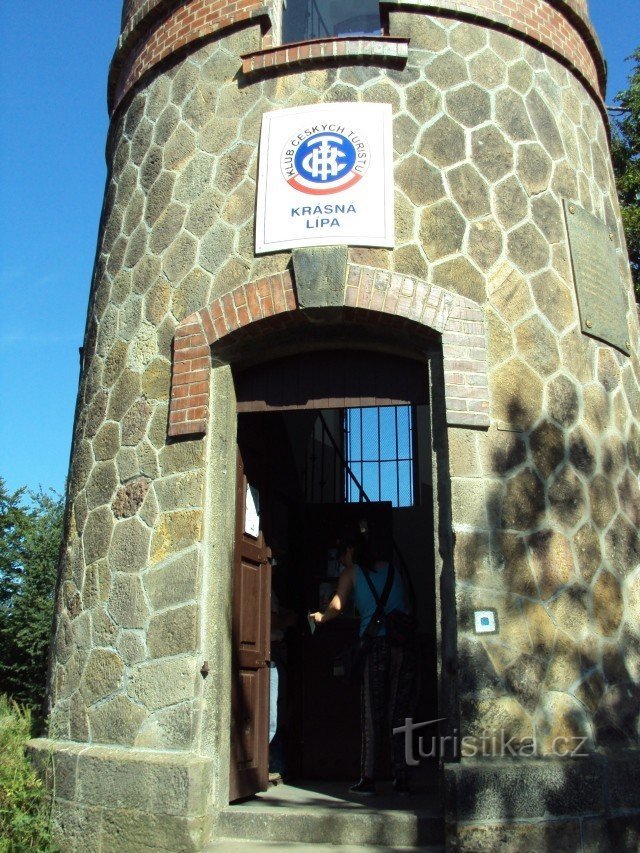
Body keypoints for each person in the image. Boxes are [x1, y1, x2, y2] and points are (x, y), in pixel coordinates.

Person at [310, 535, 416, 796]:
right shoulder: (392, 570)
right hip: (402, 646)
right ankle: (401, 777)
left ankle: (368, 778)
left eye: (342, 555)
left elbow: (337, 605)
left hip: (375, 647)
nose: (341, 561)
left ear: (350, 551)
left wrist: (321, 617)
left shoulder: (351, 573)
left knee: (372, 713)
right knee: (399, 713)